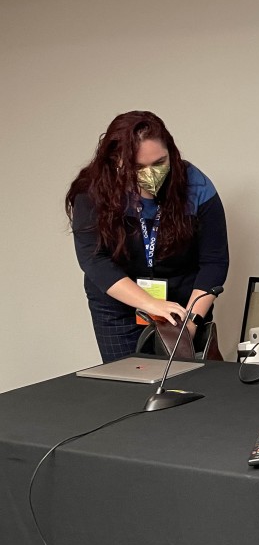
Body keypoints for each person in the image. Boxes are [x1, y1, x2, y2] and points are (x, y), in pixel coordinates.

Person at [65, 111, 229, 362]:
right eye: (138, 167)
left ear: (171, 153)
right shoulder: (93, 191)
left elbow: (214, 261)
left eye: (160, 162)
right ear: (115, 161)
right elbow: (94, 260)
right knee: (132, 387)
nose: (150, 174)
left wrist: (191, 322)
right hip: (119, 304)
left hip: (183, 303)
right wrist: (150, 303)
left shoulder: (196, 186)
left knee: (191, 385)